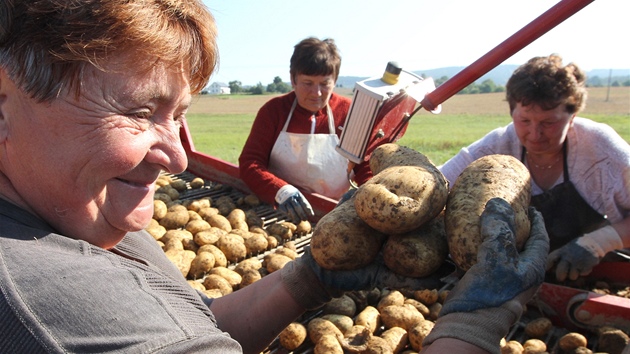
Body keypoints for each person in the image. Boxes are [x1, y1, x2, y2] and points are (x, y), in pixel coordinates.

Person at [0, 1, 548, 353]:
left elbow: (197, 328)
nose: (178, 158)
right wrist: (473, 327)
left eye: (179, 114)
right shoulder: (59, 311)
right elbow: (252, 164)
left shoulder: (84, 216)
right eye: (140, 111)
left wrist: (307, 278)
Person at [439, 54, 630, 282]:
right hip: (522, 281)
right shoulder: (498, 145)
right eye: (524, 121)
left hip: (605, 277)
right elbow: (439, 183)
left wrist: (598, 243)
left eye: (549, 123)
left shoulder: (602, 150)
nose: (535, 134)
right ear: (512, 112)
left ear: (572, 116)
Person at [238, 37, 372, 223]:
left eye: (325, 84)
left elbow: (365, 165)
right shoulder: (274, 112)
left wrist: (366, 194)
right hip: (280, 209)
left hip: (334, 213)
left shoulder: (351, 113)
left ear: (335, 80)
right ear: (293, 79)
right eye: (307, 83)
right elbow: (250, 163)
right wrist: (280, 190)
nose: (316, 93)